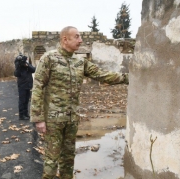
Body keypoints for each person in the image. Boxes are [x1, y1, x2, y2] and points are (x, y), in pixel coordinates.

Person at [30, 26, 129, 179]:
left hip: (71, 119)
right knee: (51, 161)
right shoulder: (49, 59)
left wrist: (127, 78)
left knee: (68, 159)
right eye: (76, 37)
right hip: (53, 120)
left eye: (80, 37)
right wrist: (38, 119)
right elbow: (37, 88)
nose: (80, 40)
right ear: (65, 39)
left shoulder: (79, 62)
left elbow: (101, 74)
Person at [14, 54, 36, 120]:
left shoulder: (27, 65)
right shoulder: (19, 67)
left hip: (28, 85)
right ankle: (21, 115)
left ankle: (26, 114)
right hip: (22, 85)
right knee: (22, 101)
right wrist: (19, 66)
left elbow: (33, 70)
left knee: (26, 101)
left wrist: (27, 65)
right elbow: (16, 74)